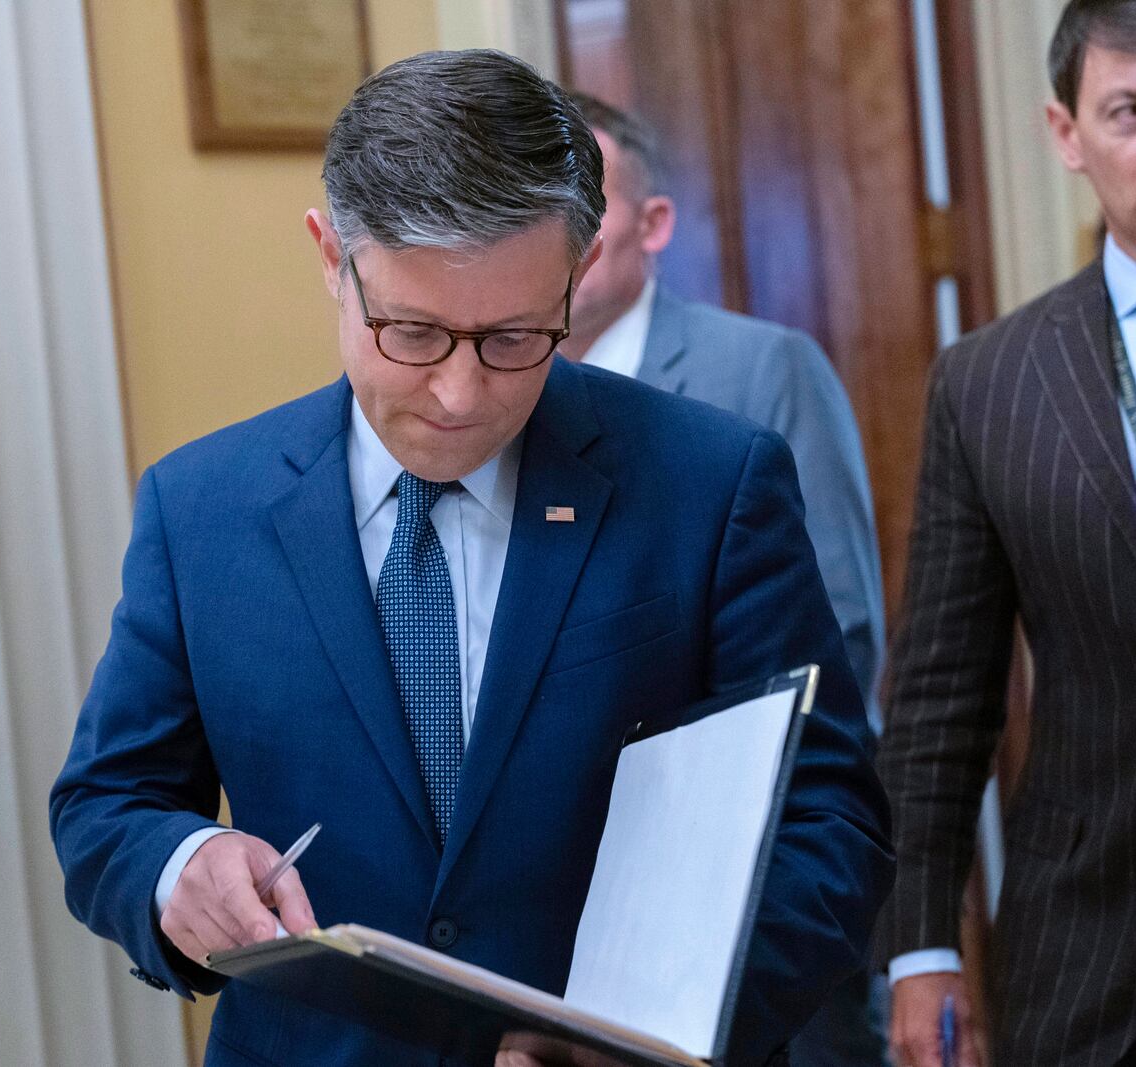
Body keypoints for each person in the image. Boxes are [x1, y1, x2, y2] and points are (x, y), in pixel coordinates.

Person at [50, 49, 892, 1067]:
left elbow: (829, 821)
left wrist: (657, 1033)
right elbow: (106, 802)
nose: (458, 393)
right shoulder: (201, 509)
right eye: (410, 331)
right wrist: (176, 863)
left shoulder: (711, 483)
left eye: (511, 338)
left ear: (575, 280)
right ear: (330, 257)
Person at [877, 2, 1136, 1064]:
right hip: (1093, 938)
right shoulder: (990, 381)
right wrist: (921, 945)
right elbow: (939, 697)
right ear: (1065, 134)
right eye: (1130, 109)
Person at [558, 95, 891, 1067]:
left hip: (747, 883)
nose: (559, 229)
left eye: (590, 201)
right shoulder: (497, 395)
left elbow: (846, 622)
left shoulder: (761, 367)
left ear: (652, 224)